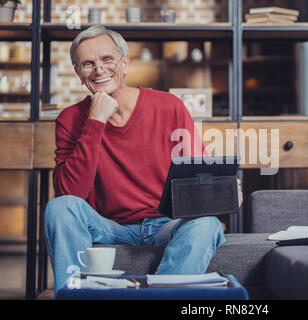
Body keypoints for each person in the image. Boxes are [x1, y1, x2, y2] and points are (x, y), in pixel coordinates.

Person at [44, 25, 242, 295]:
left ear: (124, 64)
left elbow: (196, 176)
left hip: (166, 223)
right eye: (87, 64)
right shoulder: (69, 119)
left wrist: (222, 191)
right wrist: (96, 120)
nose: (98, 69)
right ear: (79, 74)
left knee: (206, 224)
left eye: (107, 59)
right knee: (59, 208)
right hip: (109, 226)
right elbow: (71, 193)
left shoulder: (168, 106)